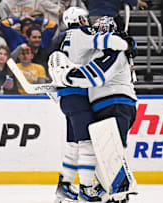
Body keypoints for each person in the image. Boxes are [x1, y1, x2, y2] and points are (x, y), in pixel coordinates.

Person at [49, 16, 138, 203]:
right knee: (102, 156)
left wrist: (66, 76)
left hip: (116, 105)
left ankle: (119, 196)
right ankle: (110, 192)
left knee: (111, 157)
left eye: (99, 31)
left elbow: (96, 76)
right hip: (107, 106)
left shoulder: (114, 51)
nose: (95, 35)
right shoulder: (104, 50)